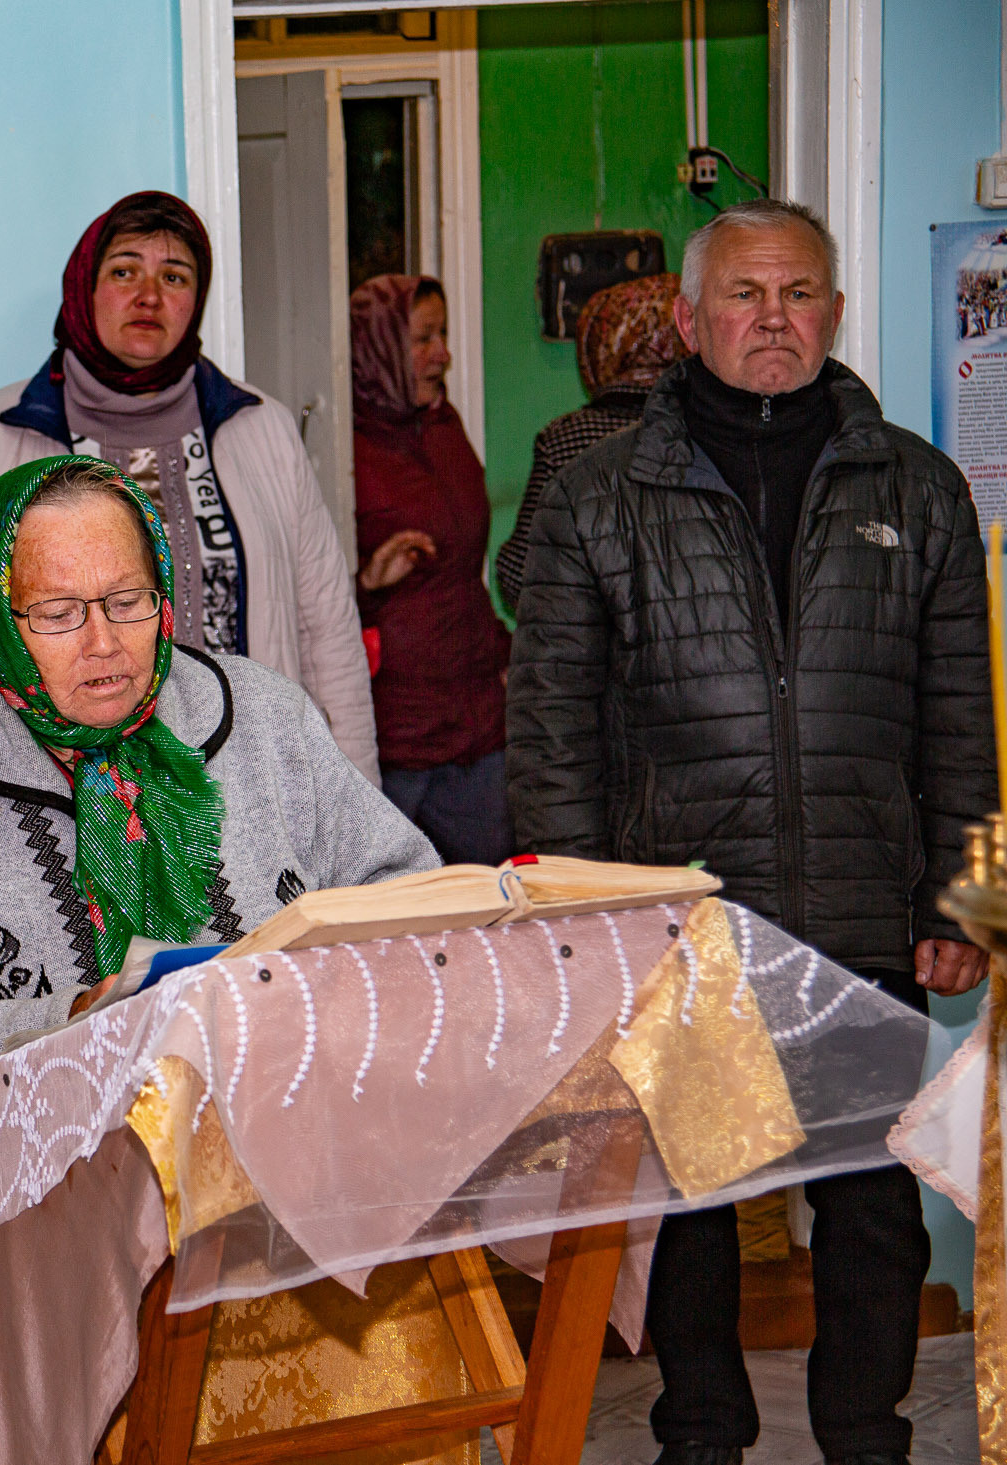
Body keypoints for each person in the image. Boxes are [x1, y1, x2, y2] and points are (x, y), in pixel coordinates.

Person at [506, 197, 993, 1465]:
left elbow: (959, 719)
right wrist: (578, 920)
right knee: (692, 1213)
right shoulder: (598, 494)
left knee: (870, 1209)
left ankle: (866, 1439)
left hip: (858, 912)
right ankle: (701, 1438)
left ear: (831, 311)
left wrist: (968, 900)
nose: (770, 319)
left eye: (796, 295)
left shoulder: (919, 488)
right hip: (681, 927)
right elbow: (550, 724)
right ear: (684, 316)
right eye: (741, 294)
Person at [0, 456, 436, 1133]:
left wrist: (297, 986)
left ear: (165, 594)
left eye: (127, 601)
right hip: (56, 1211)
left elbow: (410, 893)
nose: (105, 643)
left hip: (293, 1153)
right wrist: (65, 1024)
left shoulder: (264, 717)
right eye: (59, 613)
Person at [0, 191, 380, 783]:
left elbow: (329, 631)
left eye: (174, 276)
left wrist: (356, 791)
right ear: (84, 287)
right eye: (124, 270)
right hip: (54, 789)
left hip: (253, 784)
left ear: (196, 301)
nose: (149, 295)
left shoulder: (263, 429)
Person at [349, 275, 513, 867]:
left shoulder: (447, 427)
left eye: (442, 335)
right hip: (394, 735)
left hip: (477, 724)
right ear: (377, 348)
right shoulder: (343, 447)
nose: (441, 352)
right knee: (391, 926)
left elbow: (469, 570)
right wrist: (367, 582)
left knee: (493, 908)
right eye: (422, 338)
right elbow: (310, 597)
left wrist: (503, 656)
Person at [493, 272, 690, 613]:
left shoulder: (565, 440)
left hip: (593, 655)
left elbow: (519, 574)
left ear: (600, 346)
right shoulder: (711, 433)